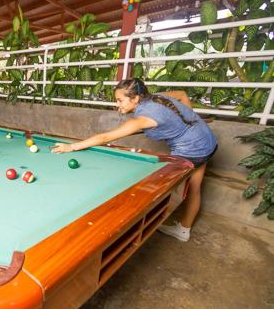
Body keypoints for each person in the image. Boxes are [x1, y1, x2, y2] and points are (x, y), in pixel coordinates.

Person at [52, 78, 217, 242]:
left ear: (136, 98)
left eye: (120, 100)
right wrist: (189, 122)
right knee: (195, 188)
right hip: (207, 139)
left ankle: (131, 231)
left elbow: (105, 137)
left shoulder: (142, 119)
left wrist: (71, 147)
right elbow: (182, 95)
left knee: (154, 189)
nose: (117, 105)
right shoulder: (156, 97)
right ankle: (184, 230)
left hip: (192, 149)